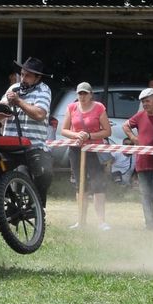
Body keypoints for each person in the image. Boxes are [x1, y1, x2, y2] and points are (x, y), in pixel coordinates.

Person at [0, 57, 53, 208]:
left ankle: (37, 207)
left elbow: (39, 114)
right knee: (5, 176)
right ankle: (12, 206)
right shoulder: (13, 89)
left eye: (28, 75)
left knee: (45, 173)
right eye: (22, 74)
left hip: (34, 145)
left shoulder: (44, 90)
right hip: (10, 145)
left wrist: (19, 102)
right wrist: (6, 105)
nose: (23, 78)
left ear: (38, 77)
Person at [60, 82, 112, 231]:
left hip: (94, 150)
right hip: (76, 150)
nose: (82, 96)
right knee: (79, 184)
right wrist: (77, 135)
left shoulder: (99, 108)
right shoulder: (71, 107)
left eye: (85, 93)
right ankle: (81, 221)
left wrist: (89, 135)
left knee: (98, 184)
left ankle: (102, 222)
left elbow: (107, 131)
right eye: (80, 93)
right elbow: (64, 130)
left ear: (91, 94)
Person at [122, 87, 153, 230]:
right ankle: (150, 225)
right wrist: (133, 137)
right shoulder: (140, 116)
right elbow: (126, 125)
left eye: (147, 101)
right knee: (145, 195)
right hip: (143, 163)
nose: (145, 104)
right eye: (143, 102)